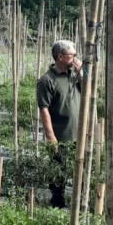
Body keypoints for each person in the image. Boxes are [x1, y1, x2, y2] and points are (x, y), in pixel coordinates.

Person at [36, 40, 83, 208]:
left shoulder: (74, 75)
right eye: (73, 56)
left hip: (79, 133)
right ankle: (57, 204)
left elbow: (90, 94)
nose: (76, 59)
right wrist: (50, 136)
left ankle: (79, 202)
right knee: (58, 173)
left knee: (81, 170)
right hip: (60, 134)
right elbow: (44, 109)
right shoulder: (47, 80)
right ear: (61, 57)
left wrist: (82, 75)